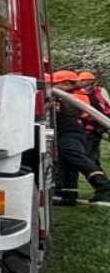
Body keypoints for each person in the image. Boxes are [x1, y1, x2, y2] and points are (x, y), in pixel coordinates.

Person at [53, 70, 110, 206]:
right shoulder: (71, 96)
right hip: (69, 133)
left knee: (76, 157)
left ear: (66, 83)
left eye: (55, 84)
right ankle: (68, 194)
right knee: (67, 162)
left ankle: (104, 187)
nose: (52, 87)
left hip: (71, 133)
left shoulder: (76, 97)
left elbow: (86, 115)